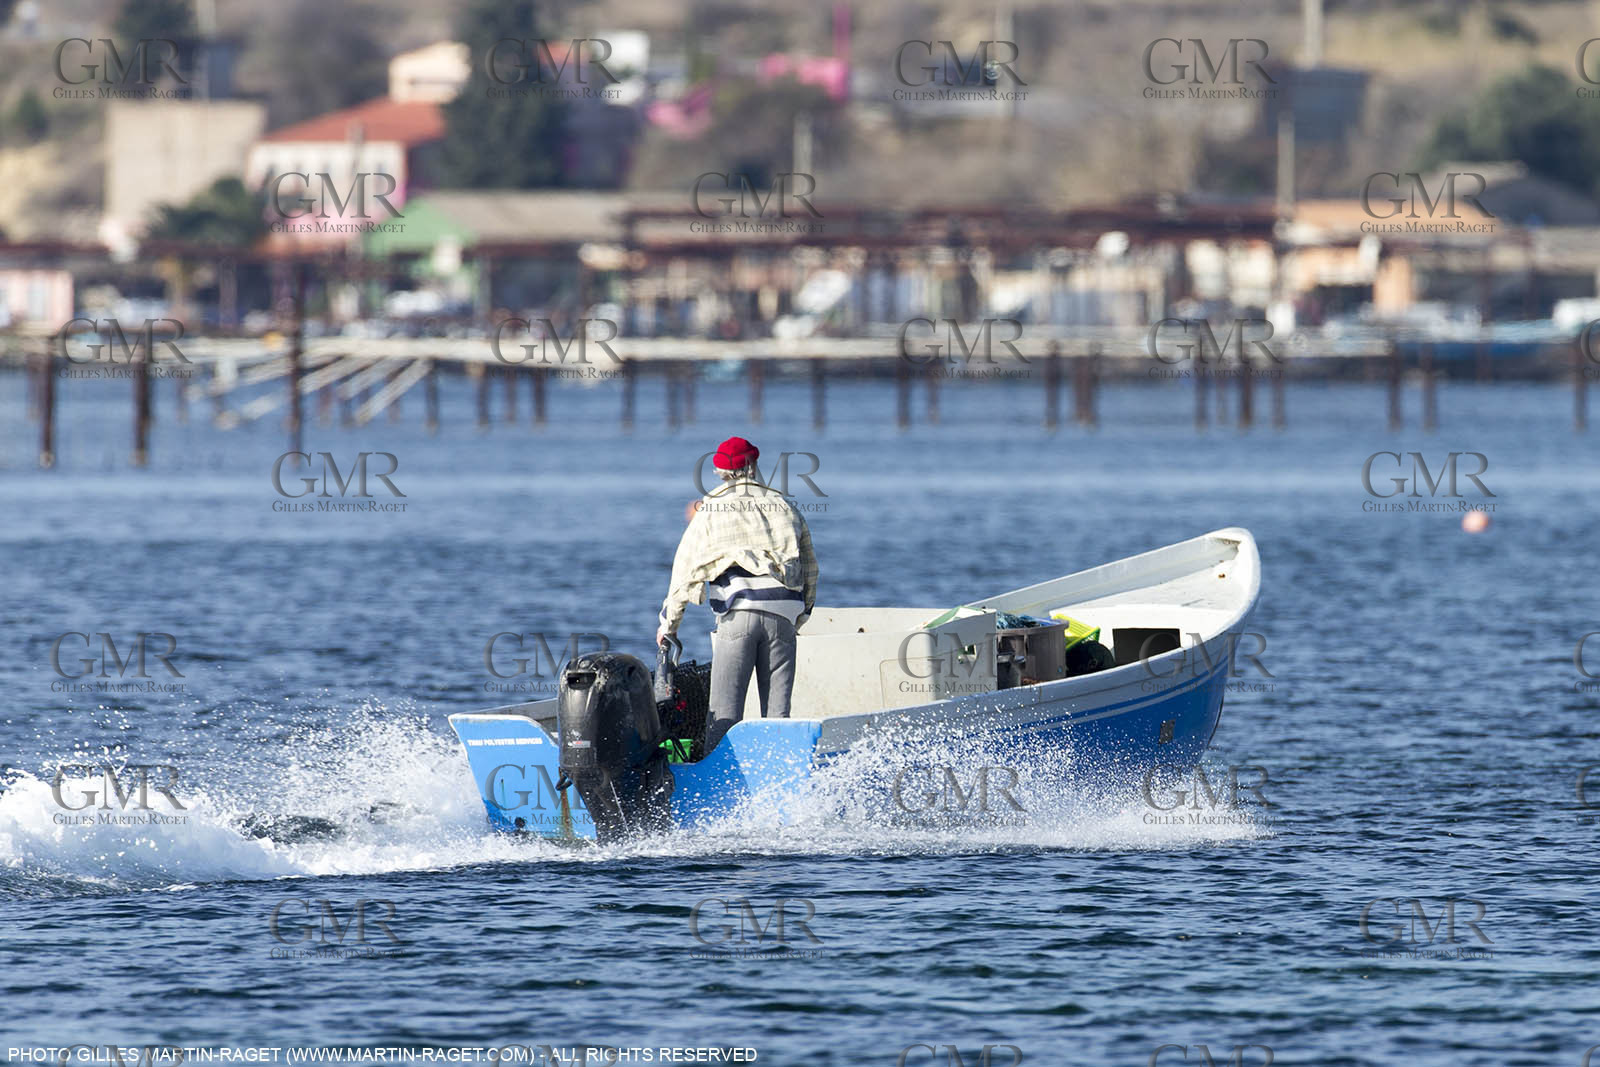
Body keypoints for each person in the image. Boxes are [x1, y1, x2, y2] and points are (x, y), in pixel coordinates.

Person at [657, 436, 818, 751]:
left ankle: (720, 788)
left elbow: (683, 573)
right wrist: (801, 615)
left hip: (739, 614)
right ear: (754, 465)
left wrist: (668, 624)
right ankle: (779, 778)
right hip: (783, 616)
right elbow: (810, 569)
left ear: (719, 471)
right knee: (777, 718)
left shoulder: (710, 508)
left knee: (724, 716)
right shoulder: (785, 506)